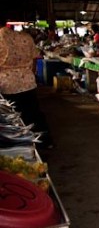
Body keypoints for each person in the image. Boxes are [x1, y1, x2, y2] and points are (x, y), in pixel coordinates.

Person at [0, 15, 53, 148]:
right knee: (33, 112)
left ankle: (23, 147)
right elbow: (35, 58)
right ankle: (45, 142)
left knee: (12, 118)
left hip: (6, 83)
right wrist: (30, 73)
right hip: (28, 81)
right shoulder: (25, 37)